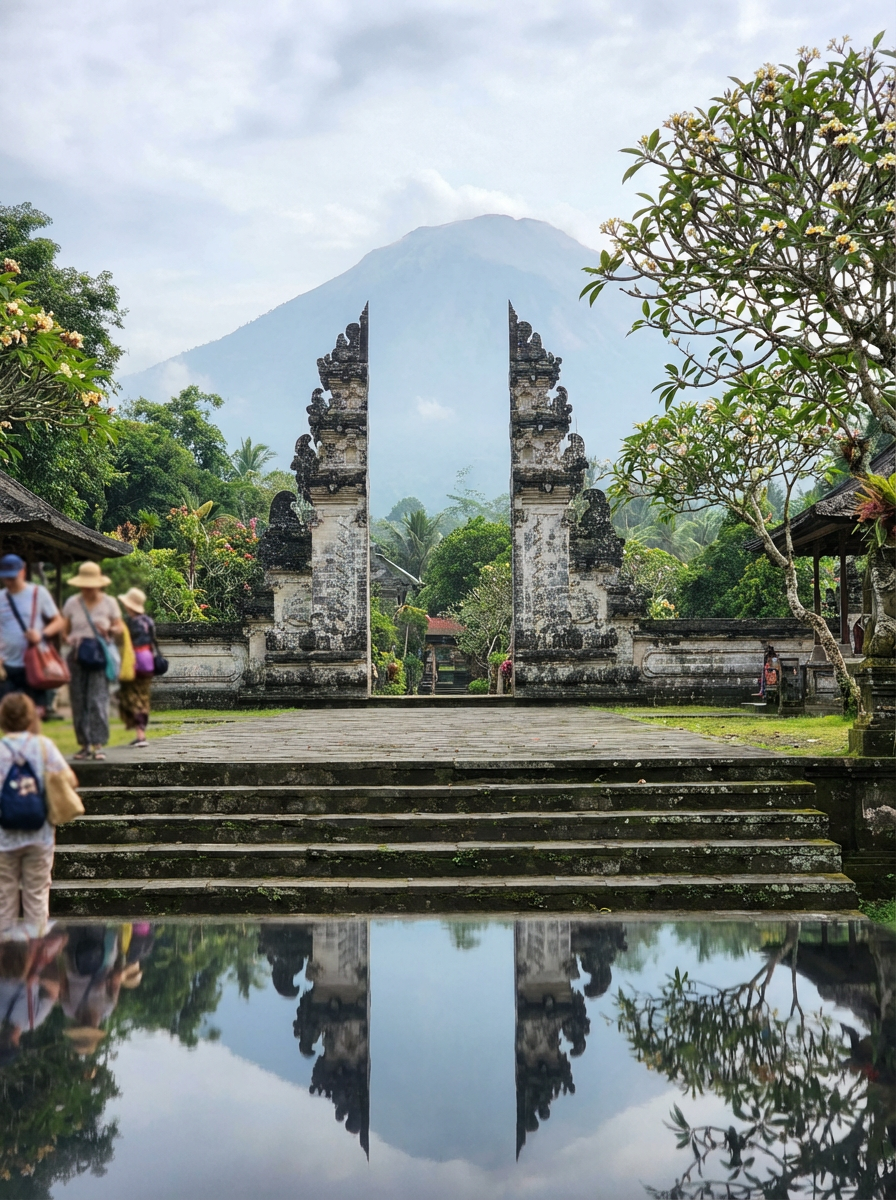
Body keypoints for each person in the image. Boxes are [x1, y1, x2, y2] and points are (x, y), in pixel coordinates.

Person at [0, 693, 75, 928]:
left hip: (4, 837)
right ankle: (35, 953)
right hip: (40, 833)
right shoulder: (44, 747)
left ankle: (6, 958)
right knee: (37, 896)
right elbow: (70, 780)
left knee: (4, 900)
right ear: (31, 717)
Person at [61, 561, 122, 761]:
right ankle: (84, 745)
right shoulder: (72, 602)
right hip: (78, 654)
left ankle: (98, 744)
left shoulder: (109, 602)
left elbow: (119, 627)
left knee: (97, 699)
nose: (87, 589)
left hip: (98, 655)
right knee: (78, 700)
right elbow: (64, 626)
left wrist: (109, 631)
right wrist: (67, 637)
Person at [0, 554, 65, 718]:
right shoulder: (1, 598)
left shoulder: (38, 593)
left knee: (34, 714)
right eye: (6, 578)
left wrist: (41, 635)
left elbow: (58, 621)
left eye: (13, 577)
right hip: (7, 663)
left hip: (34, 662)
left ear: (23, 571)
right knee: (9, 714)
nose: (10, 581)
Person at [117, 587, 156, 747]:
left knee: (133, 697)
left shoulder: (130, 623)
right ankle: (141, 731)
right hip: (148, 660)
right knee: (144, 696)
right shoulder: (148, 621)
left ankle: (140, 733)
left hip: (134, 661)